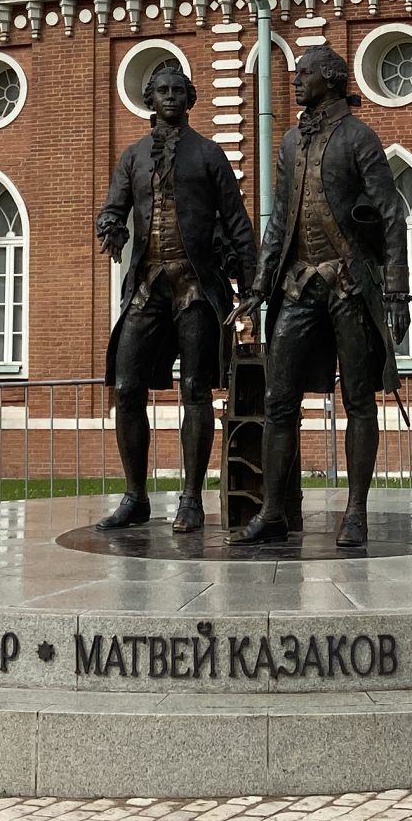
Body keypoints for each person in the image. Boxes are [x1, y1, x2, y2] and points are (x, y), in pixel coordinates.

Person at [231, 43, 408, 549]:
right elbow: (279, 220)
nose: (295, 80)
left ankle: (355, 513)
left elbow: (391, 215)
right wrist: (261, 286)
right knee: (277, 398)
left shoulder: (359, 138)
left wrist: (397, 292)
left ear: (329, 79)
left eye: (304, 72)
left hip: (349, 286)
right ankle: (272, 511)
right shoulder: (290, 143)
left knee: (359, 400)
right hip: (299, 286)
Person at [93, 62, 257, 533]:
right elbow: (112, 208)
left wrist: (251, 290)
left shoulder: (209, 154)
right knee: (126, 387)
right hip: (147, 285)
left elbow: (238, 223)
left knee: (196, 390)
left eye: (178, 90)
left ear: (190, 99)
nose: (169, 96)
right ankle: (135, 497)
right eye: (161, 89)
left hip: (195, 287)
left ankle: (190, 498)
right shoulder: (133, 156)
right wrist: (110, 229)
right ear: (149, 99)